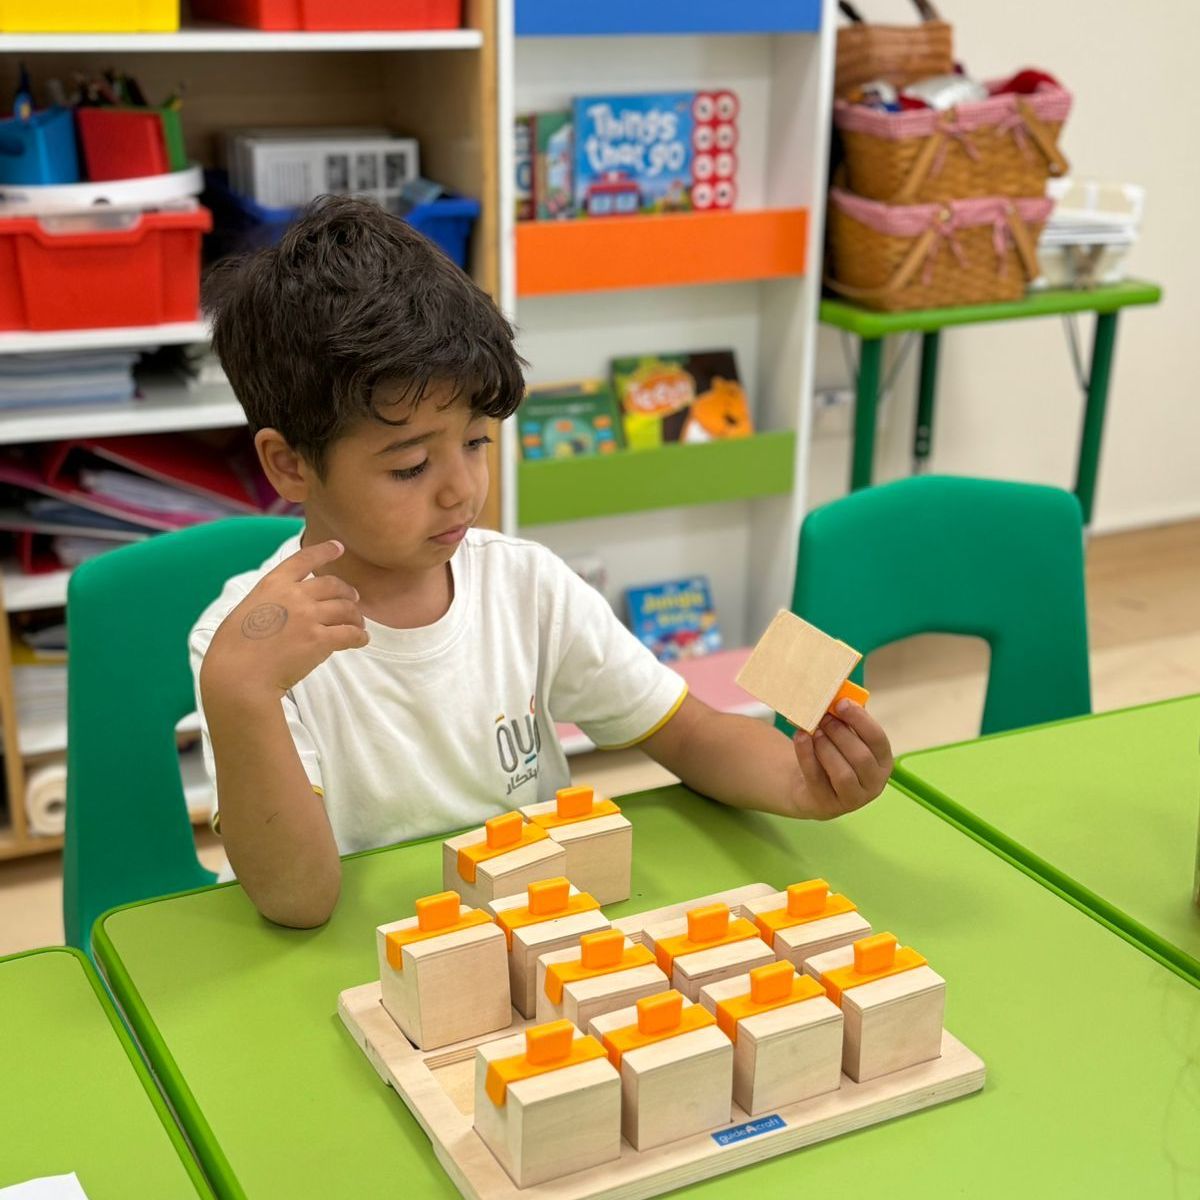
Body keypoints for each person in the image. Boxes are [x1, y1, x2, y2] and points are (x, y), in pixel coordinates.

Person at [191, 196, 893, 929]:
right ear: (290, 466)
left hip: (535, 937)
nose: (462, 489)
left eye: (476, 443)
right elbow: (298, 900)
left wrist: (799, 781)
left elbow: (684, 730)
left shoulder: (526, 585)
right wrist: (241, 694)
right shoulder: (243, 647)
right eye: (409, 467)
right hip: (368, 961)